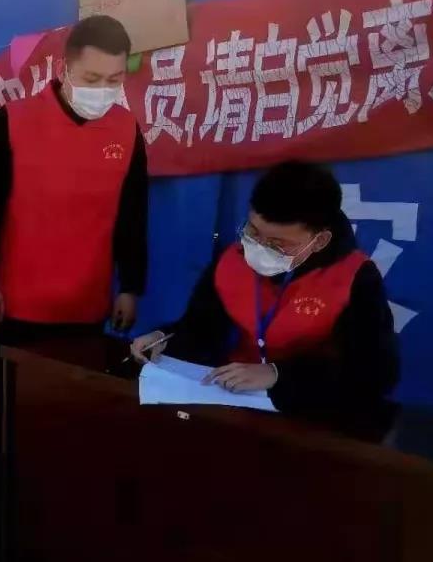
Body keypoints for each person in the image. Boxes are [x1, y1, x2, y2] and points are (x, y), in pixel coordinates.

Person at [0, 15, 149, 562]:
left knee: (72, 424)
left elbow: (133, 216)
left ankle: (63, 529)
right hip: (15, 307)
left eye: (114, 80)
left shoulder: (126, 132)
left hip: (86, 308)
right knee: (7, 423)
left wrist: (131, 286)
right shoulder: (15, 121)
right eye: (92, 77)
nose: (104, 90)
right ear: (65, 68)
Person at [131, 160, 399, 439]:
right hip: (236, 397)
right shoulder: (233, 259)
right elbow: (202, 328)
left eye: (278, 244)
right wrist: (165, 338)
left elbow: (376, 373)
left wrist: (277, 374)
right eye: (253, 232)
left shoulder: (355, 277)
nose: (259, 248)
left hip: (314, 413)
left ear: (319, 241)